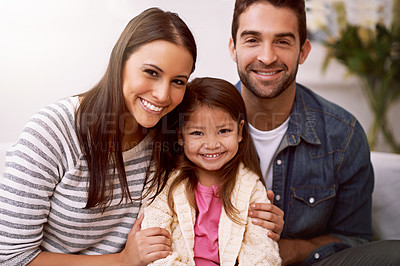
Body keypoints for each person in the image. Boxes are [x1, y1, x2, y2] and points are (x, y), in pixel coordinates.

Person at [0, 7, 197, 266]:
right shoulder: (53, 130)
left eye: (178, 81)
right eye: (151, 72)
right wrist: (121, 261)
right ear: (120, 62)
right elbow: (12, 257)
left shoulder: (169, 136)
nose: (162, 94)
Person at [228, 0, 400, 265]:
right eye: (252, 40)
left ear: (303, 51)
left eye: (282, 42)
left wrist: (285, 251)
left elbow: (354, 240)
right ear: (233, 48)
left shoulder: (343, 135)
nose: (267, 56)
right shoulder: (194, 124)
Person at [140, 77, 282, 265]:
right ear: (180, 136)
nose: (212, 144)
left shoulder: (250, 187)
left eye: (223, 131)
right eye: (197, 133)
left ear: (239, 132)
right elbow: (154, 251)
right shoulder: (165, 184)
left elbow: (263, 252)